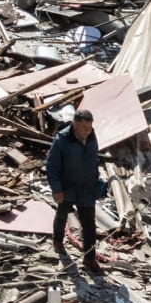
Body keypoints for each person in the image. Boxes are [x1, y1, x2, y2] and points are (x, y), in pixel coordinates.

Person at [46, 108, 104, 272]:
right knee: (62, 214)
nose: (88, 131)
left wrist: (96, 184)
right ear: (74, 124)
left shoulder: (92, 137)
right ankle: (57, 240)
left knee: (89, 225)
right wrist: (57, 189)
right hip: (67, 188)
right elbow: (52, 167)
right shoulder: (62, 139)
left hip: (86, 189)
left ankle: (89, 258)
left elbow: (94, 161)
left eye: (90, 127)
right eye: (84, 127)